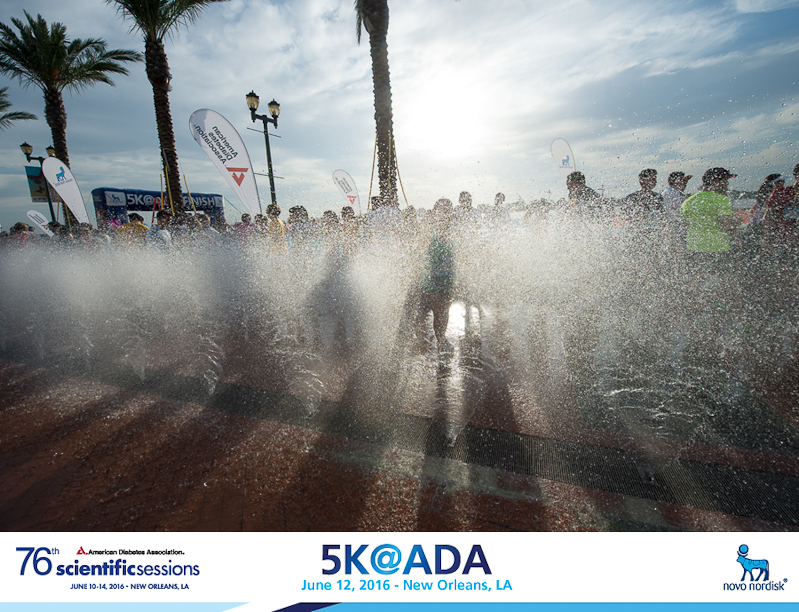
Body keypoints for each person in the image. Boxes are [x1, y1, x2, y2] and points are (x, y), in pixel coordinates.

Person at [420, 198, 456, 353]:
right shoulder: (429, 232)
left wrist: (457, 280)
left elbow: (459, 257)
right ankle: (441, 342)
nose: (445, 213)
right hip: (431, 279)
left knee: (445, 311)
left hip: (448, 278)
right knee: (438, 310)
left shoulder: (454, 232)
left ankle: (442, 337)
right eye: (442, 210)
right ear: (435, 212)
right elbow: (421, 256)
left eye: (448, 210)